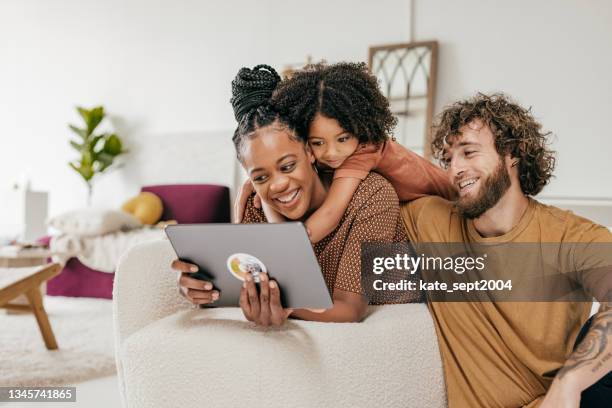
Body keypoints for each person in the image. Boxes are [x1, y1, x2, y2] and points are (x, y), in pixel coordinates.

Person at [400, 93, 612, 407]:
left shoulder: (570, 236)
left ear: (512, 153)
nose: (455, 169)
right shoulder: (432, 221)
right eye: (447, 159)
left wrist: (569, 384)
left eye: (469, 152)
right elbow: (372, 156)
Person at [172, 64, 416, 325]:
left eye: (288, 166)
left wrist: (286, 307)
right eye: (261, 177)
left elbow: (350, 309)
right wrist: (205, 291)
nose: (277, 185)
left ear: (310, 152)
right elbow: (248, 287)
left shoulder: (371, 195)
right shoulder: (256, 206)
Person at [235, 62, 454, 243]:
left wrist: (284, 247)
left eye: (343, 138)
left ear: (360, 127)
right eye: (317, 142)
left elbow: (330, 215)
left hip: (453, 201)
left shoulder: (363, 152)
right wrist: (254, 185)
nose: (331, 153)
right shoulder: (336, 155)